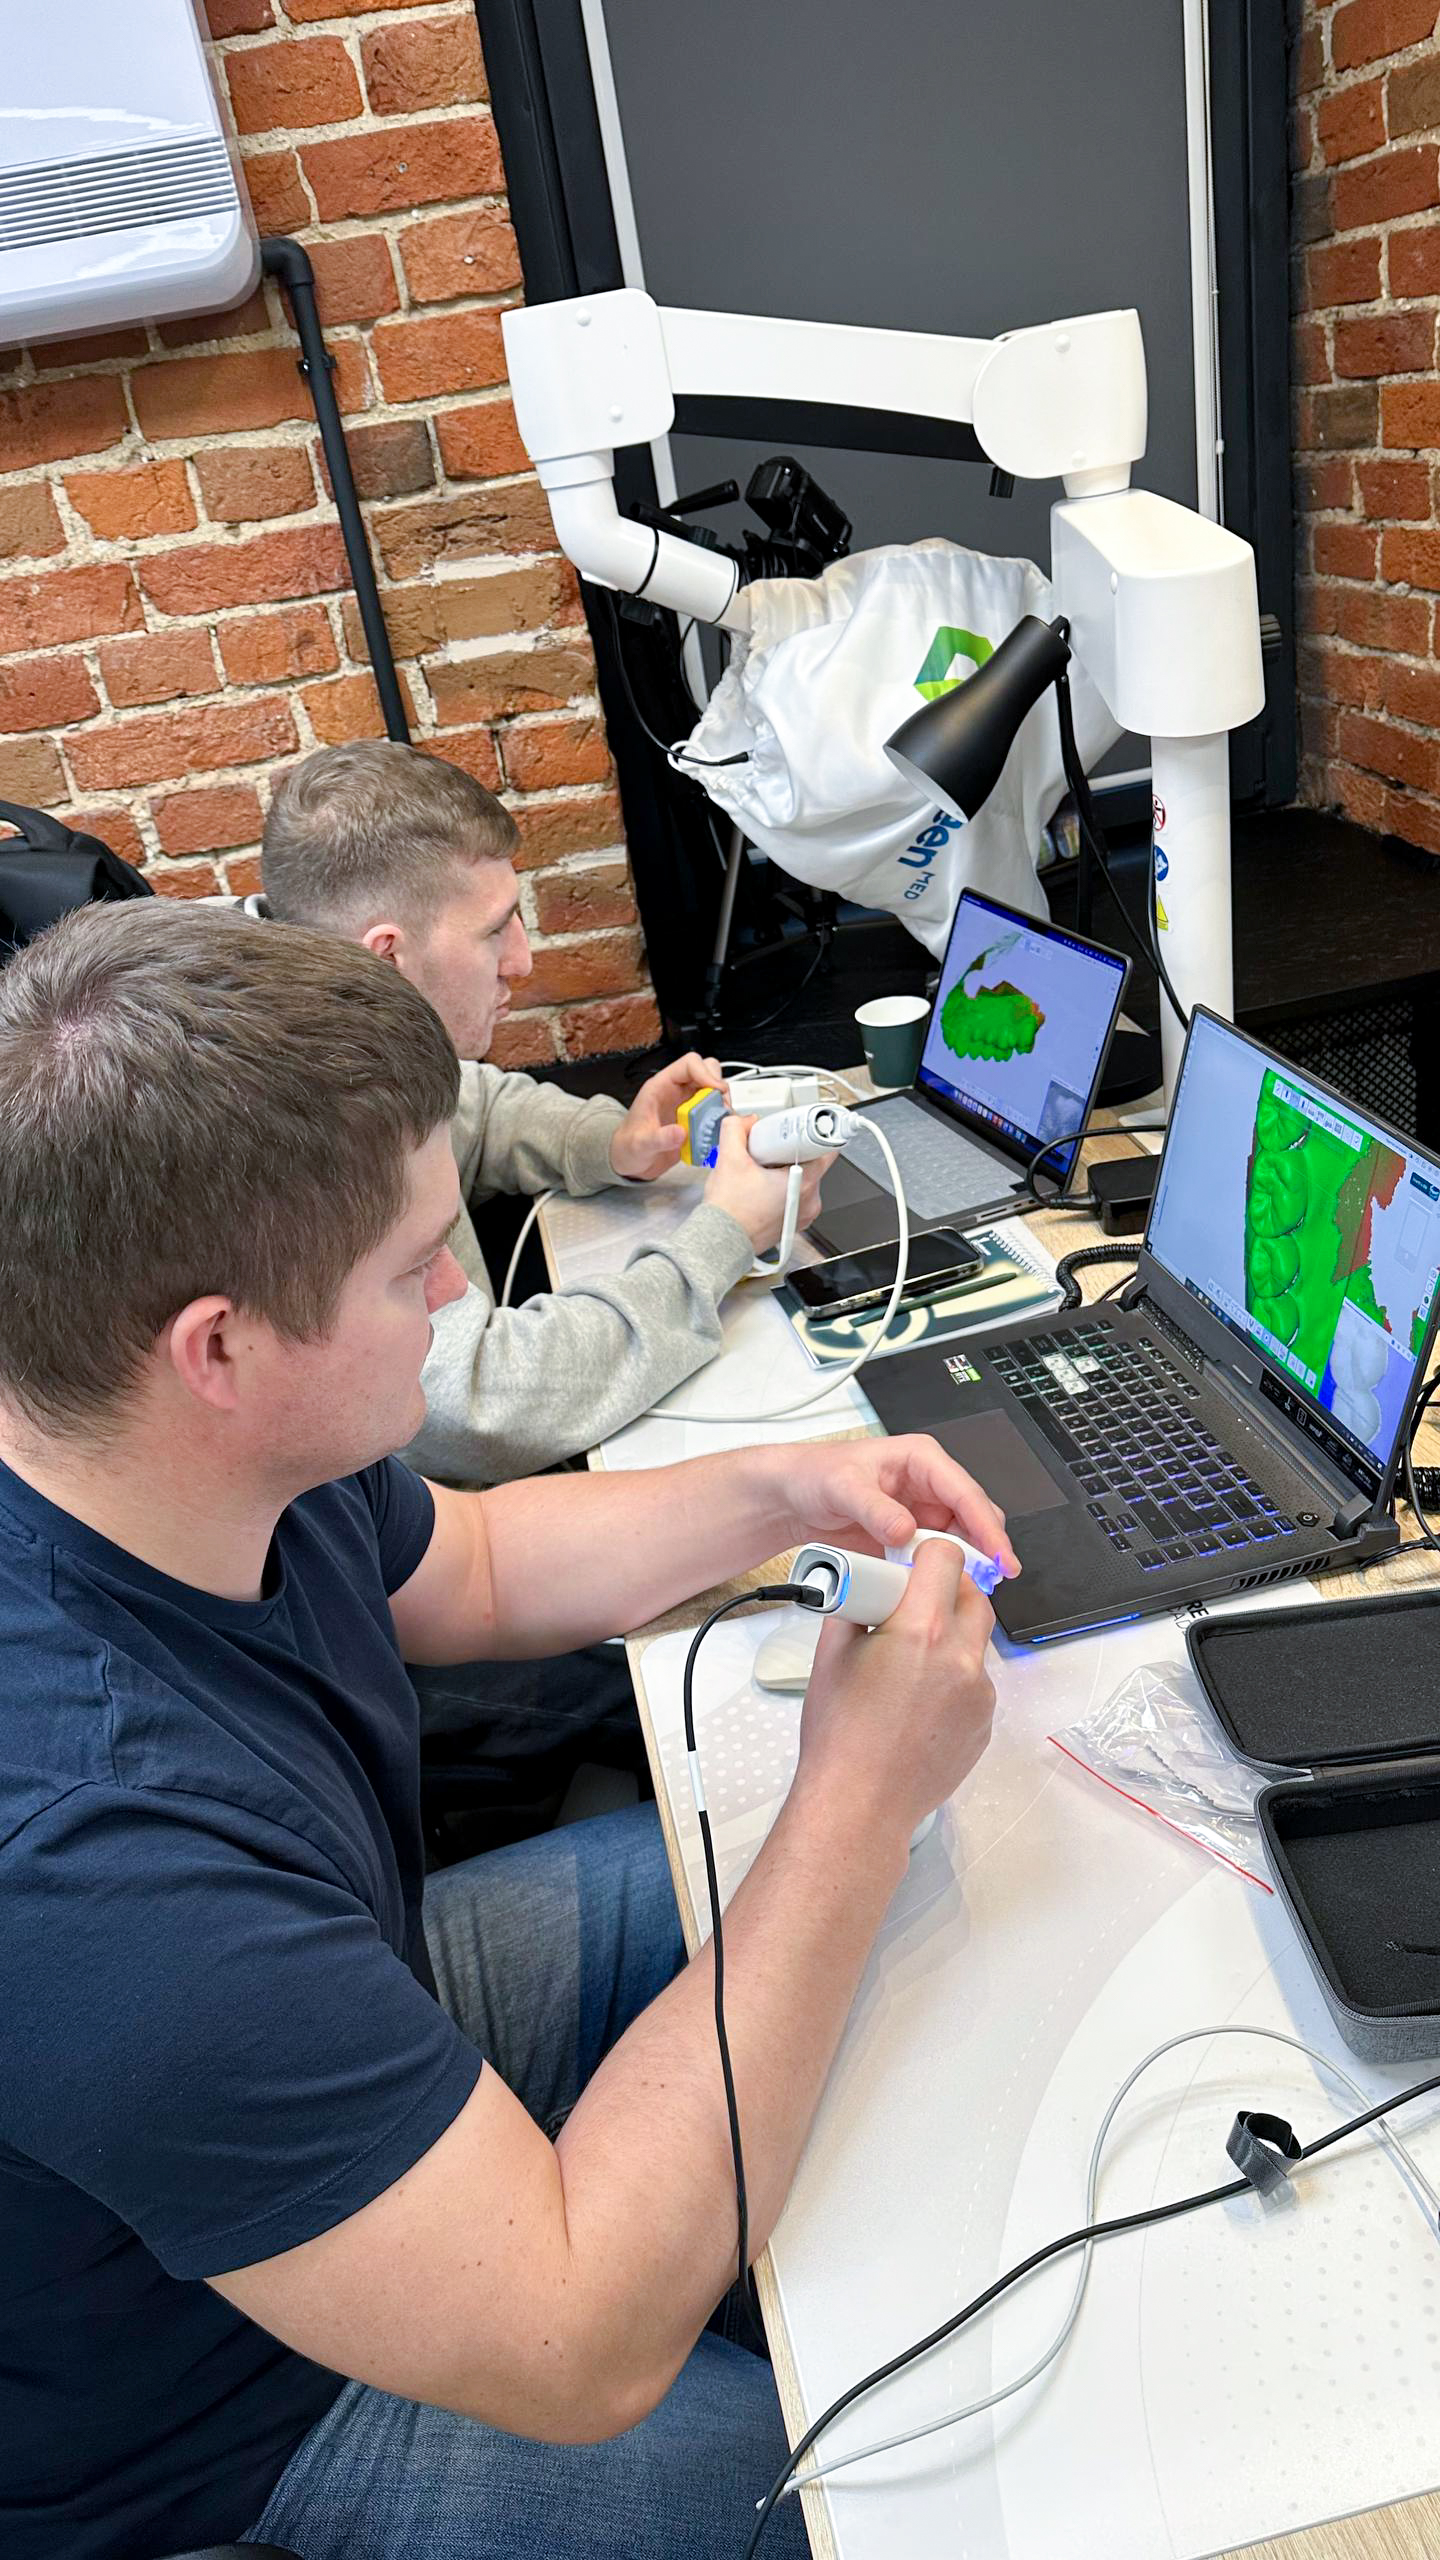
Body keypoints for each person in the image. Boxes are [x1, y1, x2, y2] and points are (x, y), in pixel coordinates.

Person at [0, 904, 1006, 2560]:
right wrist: (856, 1797)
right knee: (885, 2483)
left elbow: (470, 1564)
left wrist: (788, 1485)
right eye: (412, 1269)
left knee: (802, 1878)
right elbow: (579, 2339)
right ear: (219, 1347)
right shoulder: (94, 1866)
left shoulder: (181, 1446)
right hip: (223, 2408)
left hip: (336, 1995)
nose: (458, 1286)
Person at [258, 739, 827, 1489]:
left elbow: (475, 1107)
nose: (522, 961)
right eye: (494, 930)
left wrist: (613, 1142)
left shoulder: (331, 1017)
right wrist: (726, 1237)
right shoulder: (308, 1127)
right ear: (387, 957)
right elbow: (477, 1407)